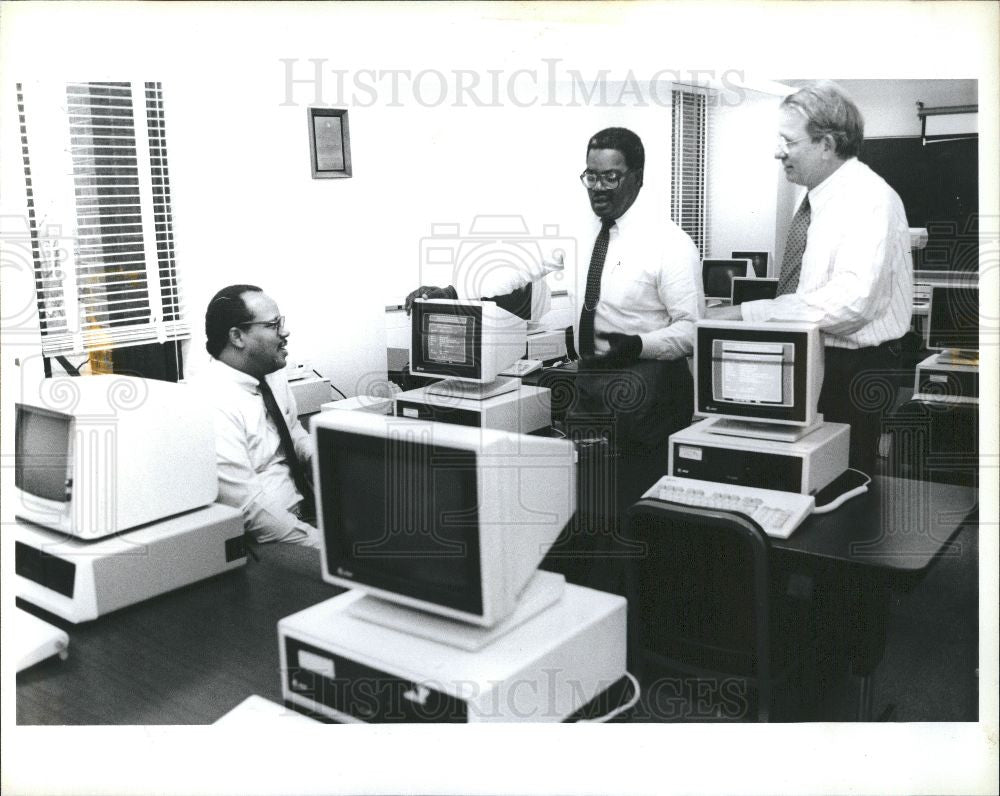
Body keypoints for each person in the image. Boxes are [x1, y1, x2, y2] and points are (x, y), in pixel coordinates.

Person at [706, 81, 913, 474]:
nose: (777, 152)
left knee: (840, 479)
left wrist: (747, 314)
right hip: (818, 354)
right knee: (797, 472)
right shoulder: (820, 197)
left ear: (827, 145)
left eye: (788, 141)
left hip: (852, 370)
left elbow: (853, 302)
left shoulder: (868, 200)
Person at [565, 126, 702, 506]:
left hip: (649, 392)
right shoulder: (583, 234)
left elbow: (694, 331)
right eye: (591, 176)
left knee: (637, 511)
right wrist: (458, 292)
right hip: (591, 386)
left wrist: (640, 345)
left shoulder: (669, 243)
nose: (599, 187)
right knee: (588, 505)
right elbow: (526, 267)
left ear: (637, 179)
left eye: (611, 176)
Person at [198, 284, 321, 548]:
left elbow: (292, 431)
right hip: (272, 540)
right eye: (273, 324)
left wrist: (323, 460)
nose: (285, 332)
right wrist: (325, 545)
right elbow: (250, 511)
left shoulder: (272, 372)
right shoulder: (210, 402)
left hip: (313, 514)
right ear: (237, 337)